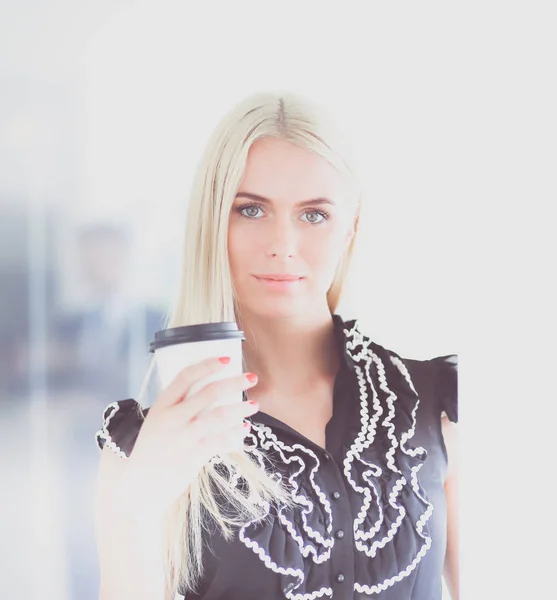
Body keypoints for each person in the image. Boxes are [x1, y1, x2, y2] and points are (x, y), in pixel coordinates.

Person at [94, 91, 458, 600]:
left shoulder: (439, 406)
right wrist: (140, 504)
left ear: (350, 228)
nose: (282, 244)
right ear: (212, 221)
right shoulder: (142, 446)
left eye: (313, 215)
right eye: (250, 210)